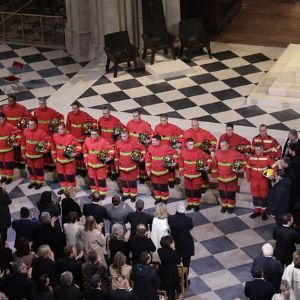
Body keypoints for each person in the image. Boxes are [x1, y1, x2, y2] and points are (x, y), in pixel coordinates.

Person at [211, 139, 245, 214]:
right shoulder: (217, 153)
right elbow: (214, 165)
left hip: (231, 178)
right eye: (220, 145)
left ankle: (230, 207)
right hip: (221, 178)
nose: (221, 147)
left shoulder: (235, 153)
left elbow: (244, 160)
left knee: (231, 194)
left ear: (227, 145)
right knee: (222, 193)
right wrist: (214, 175)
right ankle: (224, 206)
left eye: (223, 145)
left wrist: (242, 169)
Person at [179, 137, 211, 211]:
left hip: (197, 175)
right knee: (188, 190)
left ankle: (196, 205)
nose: (192, 146)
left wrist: (207, 166)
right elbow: (181, 163)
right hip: (187, 175)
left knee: (196, 191)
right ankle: (190, 204)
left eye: (193, 144)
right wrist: (181, 172)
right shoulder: (183, 151)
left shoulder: (198, 151)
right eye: (190, 144)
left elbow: (208, 158)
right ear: (186, 144)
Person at [246, 143, 277, 220]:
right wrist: (248, 178)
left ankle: (263, 212)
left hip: (263, 181)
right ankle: (257, 211)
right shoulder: (251, 158)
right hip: (254, 181)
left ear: (262, 149)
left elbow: (275, 167)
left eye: (259, 150)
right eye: (256, 150)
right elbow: (247, 168)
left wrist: (270, 174)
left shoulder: (267, 158)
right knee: (255, 197)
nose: (257, 152)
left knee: (264, 197)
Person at [66, 102, 97, 176]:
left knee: (82, 156)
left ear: (79, 108)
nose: (74, 110)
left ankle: (83, 171)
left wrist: (92, 129)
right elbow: (67, 126)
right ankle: (76, 169)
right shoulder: (69, 114)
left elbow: (94, 121)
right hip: (73, 140)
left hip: (82, 140)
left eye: (75, 108)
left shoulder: (84, 114)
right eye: (73, 108)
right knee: (75, 155)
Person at [145, 134, 178, 204]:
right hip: (153, 172)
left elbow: (175, 153)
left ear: (158, 141)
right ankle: (158, 198)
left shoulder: (166, 147)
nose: (152, 142)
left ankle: (164, 199)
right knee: (155, 186)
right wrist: (148, 169)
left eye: (153, 141)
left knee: (163, 187)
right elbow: (147, 159)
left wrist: (174, 162)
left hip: (163, 172)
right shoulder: (150, 147)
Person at [2, 95, 32, 169]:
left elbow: (29, 117)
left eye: (11, 101)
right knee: (11, 148)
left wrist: (24, 121)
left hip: (19, 132)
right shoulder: (5, 108)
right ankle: (13, 163)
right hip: (9, 132)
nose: (9, 102)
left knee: (19, 148)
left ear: (15, 101)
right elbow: (2, 118)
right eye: (8, 101)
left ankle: (22, 163)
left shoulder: (21, 108)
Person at [114, 129, 145, 202]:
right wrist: (116, 165)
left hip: (132, 167)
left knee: (132, 182)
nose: (123, 138)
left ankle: (133, 195)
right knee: (124, 182)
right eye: (121, 136)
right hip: (122, 167)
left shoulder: (134, 142)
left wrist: (142, 158)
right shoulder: (118, 143)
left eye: (124, 136)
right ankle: (126, 194)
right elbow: (116, 155)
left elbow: (143, 149)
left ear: (128, 135)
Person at [83, 128, 113, 198]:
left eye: (95, 134)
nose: (93, 136)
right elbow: (84, 151)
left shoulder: (103, 141)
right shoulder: (87, 141)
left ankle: (102, 194)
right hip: (90, 165)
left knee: (101, 180)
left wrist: (109, 157)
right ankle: (95, 193)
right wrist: (86, 161)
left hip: (100, 166)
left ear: (98, 134)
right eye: (92, 134)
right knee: (92, 180)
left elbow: (111, 150)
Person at [154, 114, 183, 187]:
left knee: (171, 165)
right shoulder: (157, 127)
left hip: (170, 149)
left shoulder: (173, 127)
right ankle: (163, 180)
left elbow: (181, 133)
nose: (162, 122)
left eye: (164, 120)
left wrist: (179, 142)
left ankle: (171, 181)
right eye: (161, 120)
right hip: (160, 149)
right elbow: (155, 137)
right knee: (162, 165)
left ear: (167, 120)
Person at [52, 123, 81, 194]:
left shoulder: (70, 137)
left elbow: (79, 146)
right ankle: (63, 188)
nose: (60, 131)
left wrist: (76, 153)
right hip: (59, 161)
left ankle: (71, 190)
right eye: (58, 129)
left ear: (65, 129)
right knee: (61, 176)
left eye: (61, 129)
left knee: (70, 176)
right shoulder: (54, 136)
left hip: (69, 161)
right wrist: (54, 157)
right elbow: (53, 148)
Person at [126, 110, 154, 183]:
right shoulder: (129, 123)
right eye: (133, 116)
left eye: (136, 116)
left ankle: (143, 177)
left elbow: (152, 134)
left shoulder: (145, 124)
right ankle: (135, 176)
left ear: (139, 116)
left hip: (142, 146)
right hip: (132, 146)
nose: (135, 118)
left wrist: (149, 140)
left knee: (142, 162)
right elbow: (126, 134)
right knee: (133, 161)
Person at [97, 106, 124, 180]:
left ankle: (113, 174)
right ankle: (106, 172)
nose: (105, 115)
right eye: (103, 113)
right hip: (103, 144)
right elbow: (99, 131)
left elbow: (123, 129)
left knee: (112, 159)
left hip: (112, 144)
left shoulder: (115, 121)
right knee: (104, 157)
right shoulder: (100, 120)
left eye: (106, 113)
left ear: (109, 112)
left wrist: (118, 138)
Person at [21, 119, 50, 189]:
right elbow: (23, 143)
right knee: (31, 169)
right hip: (28, 155)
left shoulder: (41, 132)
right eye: (29, 124)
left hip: (38, 156)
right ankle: (33, 181)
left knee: (38, 170)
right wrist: (23, 153)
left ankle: (39, 183)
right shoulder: (25, 131)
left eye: (31, 125)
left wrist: (46, 149)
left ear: (36, 125)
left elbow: (48, 141)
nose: (29, 126)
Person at [168, 202, 194, 277]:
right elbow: (190, 227)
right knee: (186, 264)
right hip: (187, 244)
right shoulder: (189, 220)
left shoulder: (171, 219)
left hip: (176, 244)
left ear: (176, 209)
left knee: (176, 263)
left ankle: (177, 278)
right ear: (184, 210)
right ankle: (185, 280)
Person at [158, 235, 181, 300]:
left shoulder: (160, 250)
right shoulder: (172, 253)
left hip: (163, 272)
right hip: (172, 274)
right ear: (169, 244)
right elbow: (178, 261)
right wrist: (174, 249)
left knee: (166, 289)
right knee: (172, 290)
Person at [0, 112, 21, 184]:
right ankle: (3, 176)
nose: (0, 121)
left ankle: (9, 178)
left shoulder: (10, 126)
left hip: (8, 150)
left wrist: (17, 142)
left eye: (1, 119)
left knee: (8, 164)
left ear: (4, 119)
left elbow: (18, 133)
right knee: (1, 164)